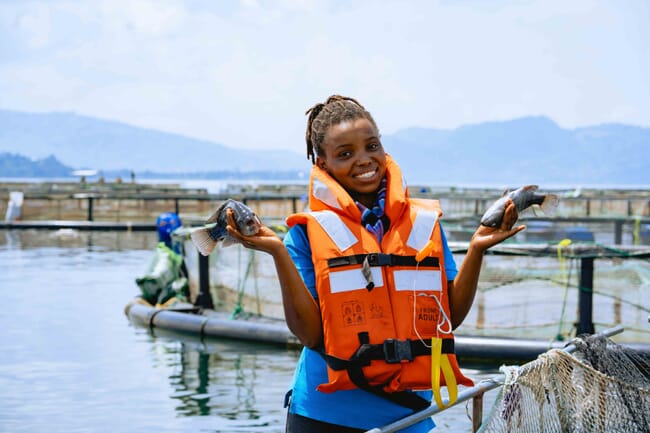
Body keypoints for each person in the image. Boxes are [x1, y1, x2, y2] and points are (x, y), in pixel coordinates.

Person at [226, 95, 524, 432]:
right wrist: (277, 252)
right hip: (323, 417)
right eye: (345, 154)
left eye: (372, 146)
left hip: (409, 416)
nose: (364, 160)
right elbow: (309, 334)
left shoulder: (424, 224)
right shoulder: (306, 233)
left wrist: (477, 250)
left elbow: (448, 318)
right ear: (322, 164)